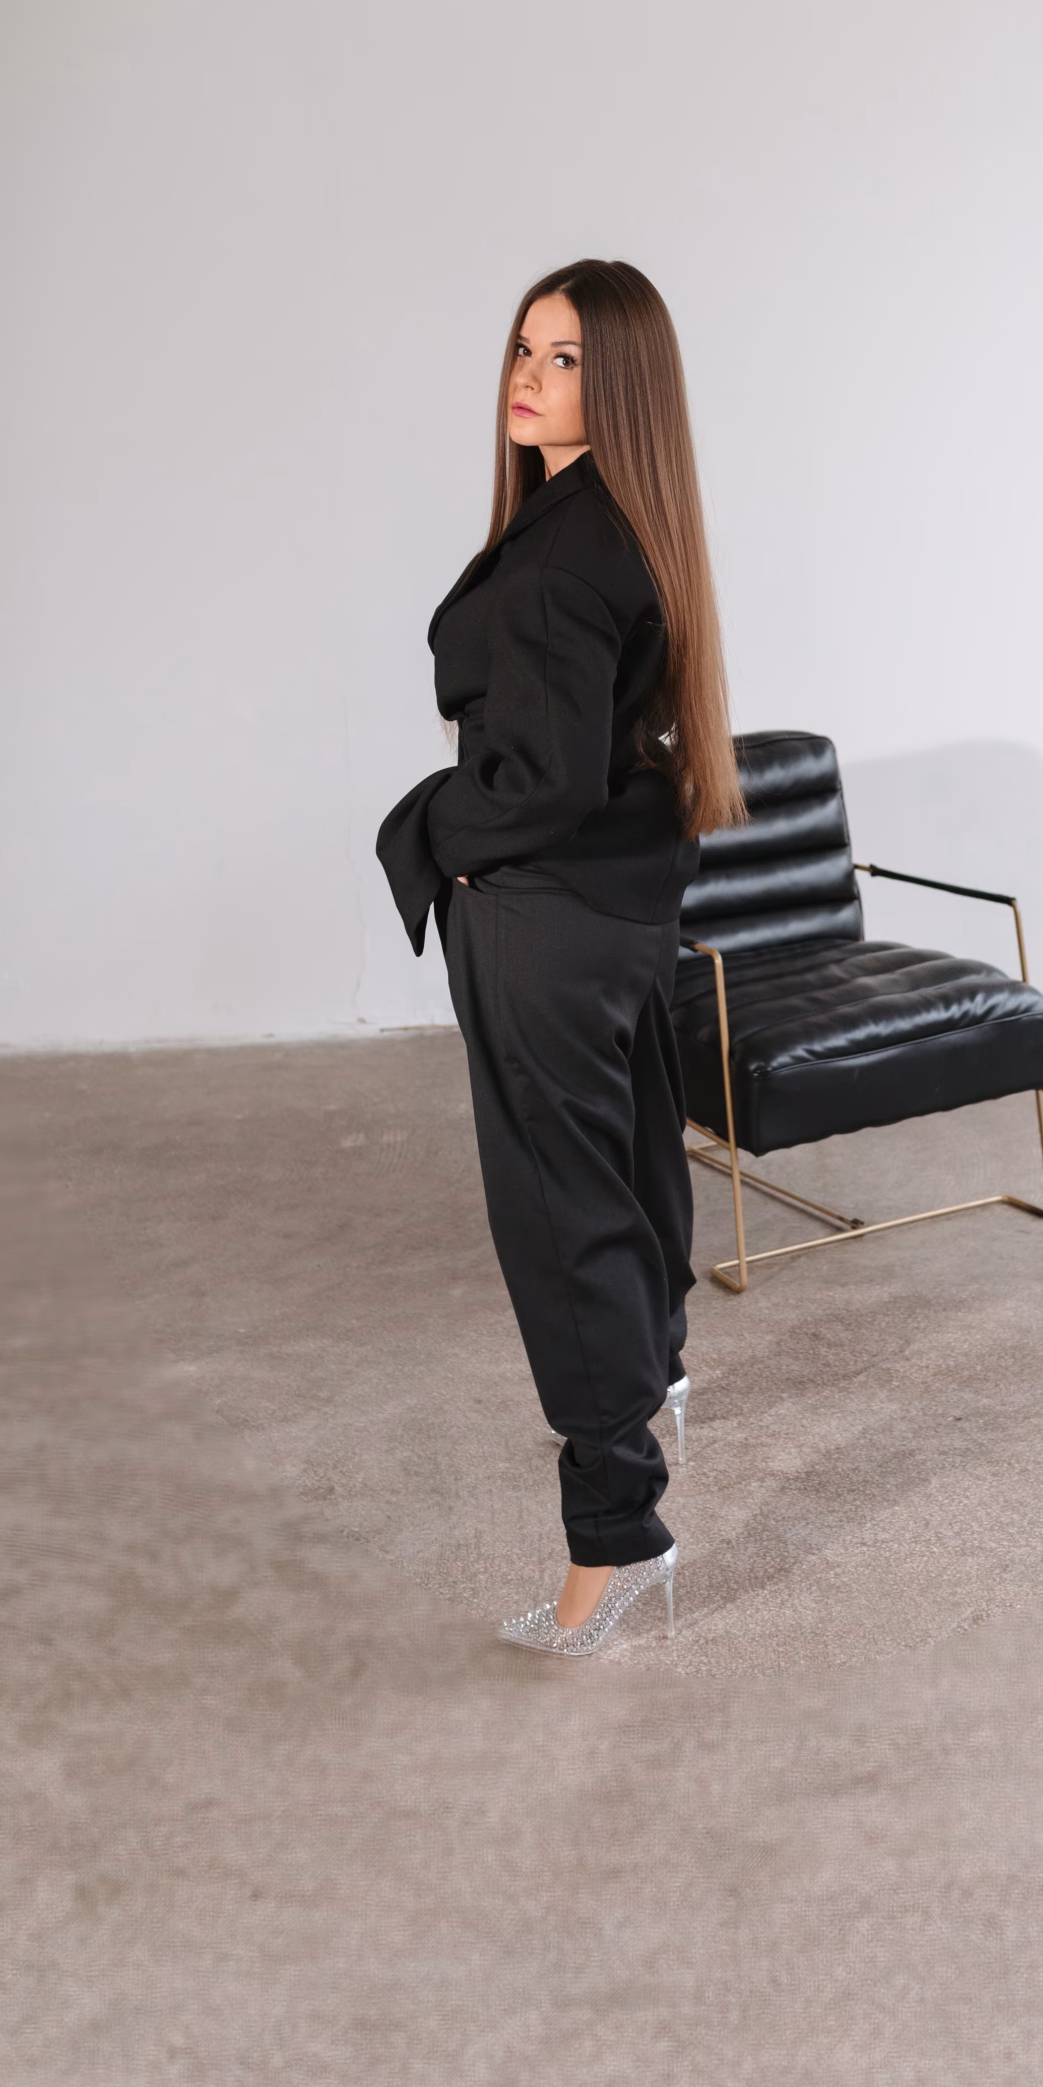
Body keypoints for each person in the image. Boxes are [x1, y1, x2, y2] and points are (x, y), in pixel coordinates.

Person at [377, 259, 744, 1656]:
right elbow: (605, 757)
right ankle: (659, 1373)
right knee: (633, 1160)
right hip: (623, 909)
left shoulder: (560, 559)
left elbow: (539, 782)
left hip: (544, 924)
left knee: (558, 1216)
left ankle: (618, 1535)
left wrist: (431, 828)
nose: (529, 378)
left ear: (622, 382)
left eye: (568, 358)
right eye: (525, 349)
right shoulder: (626, 525)